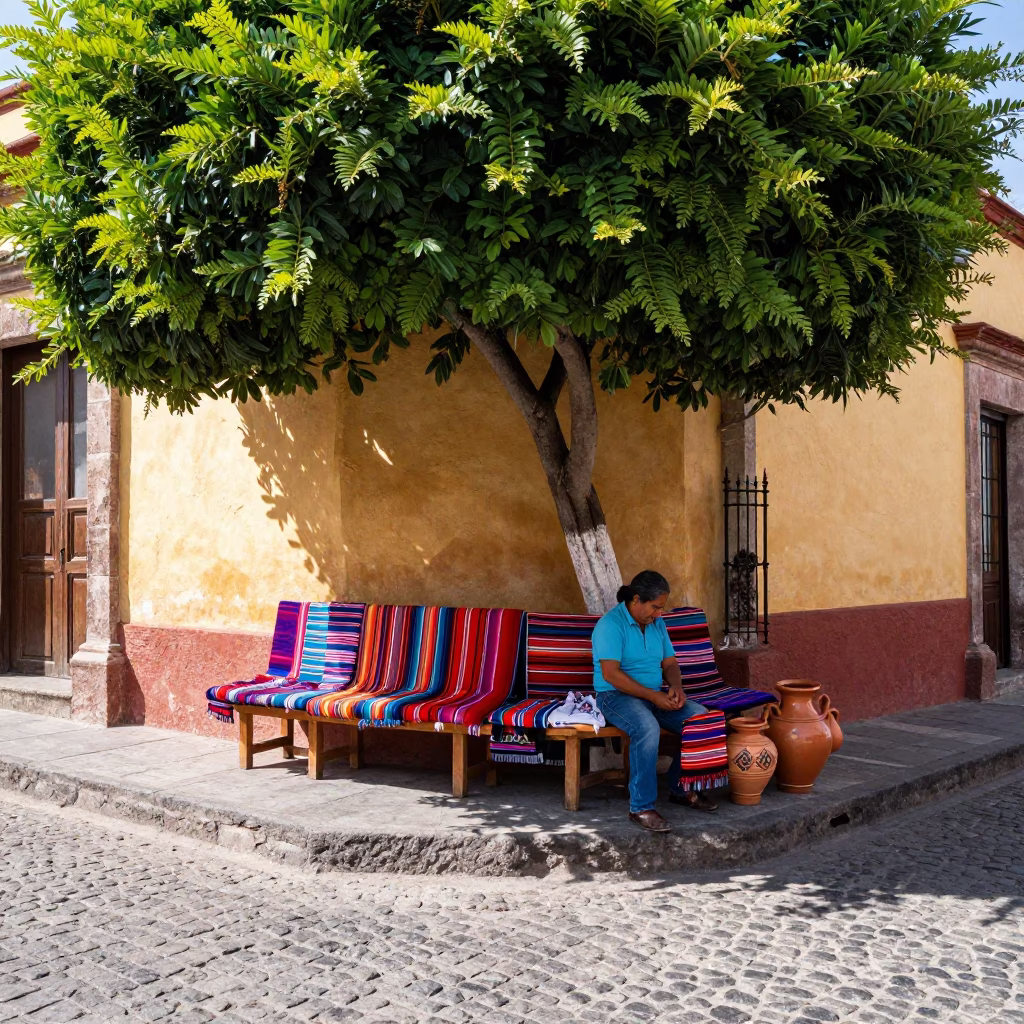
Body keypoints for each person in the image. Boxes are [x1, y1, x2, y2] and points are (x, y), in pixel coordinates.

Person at [592, 570, 718, 832]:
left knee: (701, 718)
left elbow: (670, 662)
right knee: (646, 727)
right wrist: (655, 697)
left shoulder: (656, 624)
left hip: (654, 695)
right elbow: (611, 674)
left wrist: (675, 688)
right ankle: (641, 807)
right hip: (615, 696)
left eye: (661, 608)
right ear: (636, 599)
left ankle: (681, 790)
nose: (659, 614)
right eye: (655, 607)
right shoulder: (610, 625)